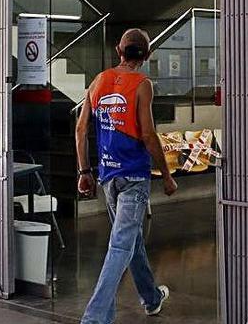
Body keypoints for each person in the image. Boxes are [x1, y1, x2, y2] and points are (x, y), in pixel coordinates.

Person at [75, 28, 178, 324]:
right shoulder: (143, 84)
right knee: (121, 245)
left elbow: (81, 129)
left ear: (119, 52)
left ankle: (151, 298)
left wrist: (85, 171)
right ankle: (94, 319)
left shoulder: (98, 81)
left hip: (108, 177)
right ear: (145, 56)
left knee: (130, 240)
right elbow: (147, 133)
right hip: (134, 177)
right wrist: (167, 175)